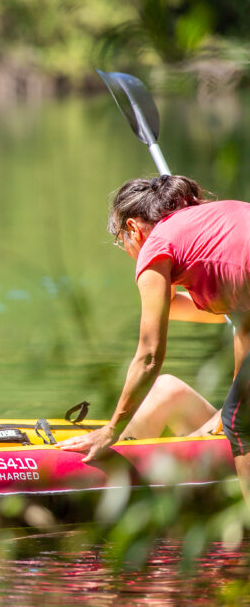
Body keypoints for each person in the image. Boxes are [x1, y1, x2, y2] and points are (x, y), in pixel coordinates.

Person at [56, 175, 250, 501]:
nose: (128, 250)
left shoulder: (157, 244)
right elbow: (240, 322)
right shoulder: (209, 220)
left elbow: (148, 356)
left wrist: (111, 431)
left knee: (240, 425)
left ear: (134, 228)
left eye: (122, 240)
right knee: (232, 412)